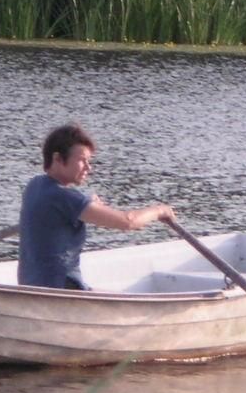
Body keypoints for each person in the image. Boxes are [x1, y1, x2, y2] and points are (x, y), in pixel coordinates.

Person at [18, 123, 174, 289]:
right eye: (81, 160)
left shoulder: (34, 186)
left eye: (89, 161)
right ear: (57, 159)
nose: (88, 167)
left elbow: (63, 208)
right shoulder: (65, 197)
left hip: (31, 285)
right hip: (61, 289)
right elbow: (128, 221)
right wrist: (159, 211)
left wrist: (89, 206)